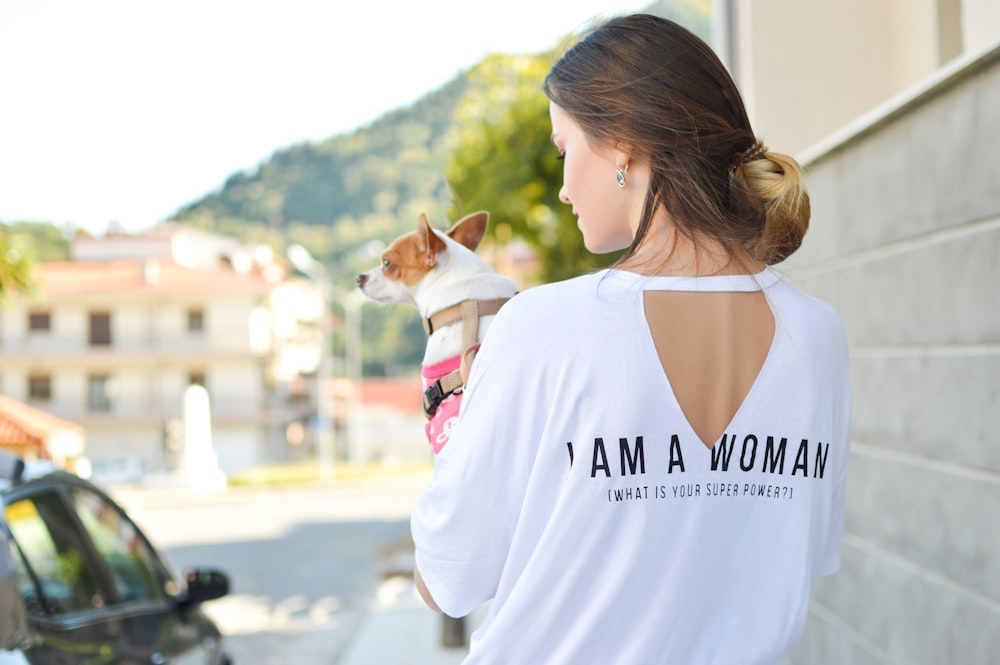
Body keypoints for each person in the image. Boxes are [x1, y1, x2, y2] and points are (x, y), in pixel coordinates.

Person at [410, 13, 850, 664]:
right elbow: (796, 556)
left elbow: (445, 577)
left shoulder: (543, 327)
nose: (561, 188)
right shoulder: (819, 335)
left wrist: (458, 421)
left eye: (565, 151)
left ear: (621, 143)